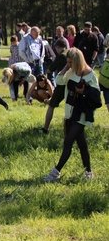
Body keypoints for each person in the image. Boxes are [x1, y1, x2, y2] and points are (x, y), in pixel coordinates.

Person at [43, 48, 100, 182]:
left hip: (82, 115)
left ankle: (55, 172)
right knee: (82, 144)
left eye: (71, 62)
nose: (69, 64)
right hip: (69, 113)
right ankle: (89, 172)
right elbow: (59, 81)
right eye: (68, 62)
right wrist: (66, 67)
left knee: (68, 142)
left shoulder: (91, 75)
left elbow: (97, 99)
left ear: (78, 61)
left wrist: (84, 91)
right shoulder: (70, 72)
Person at [41, 38, 70, 134]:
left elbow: (51, 69)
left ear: (58, 47)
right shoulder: (69, 53)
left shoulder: (61, 56)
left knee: (51, 106)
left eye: (56, 48)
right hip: (72, 83)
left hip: (62, 83)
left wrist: (47, 72)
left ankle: (45, 129)